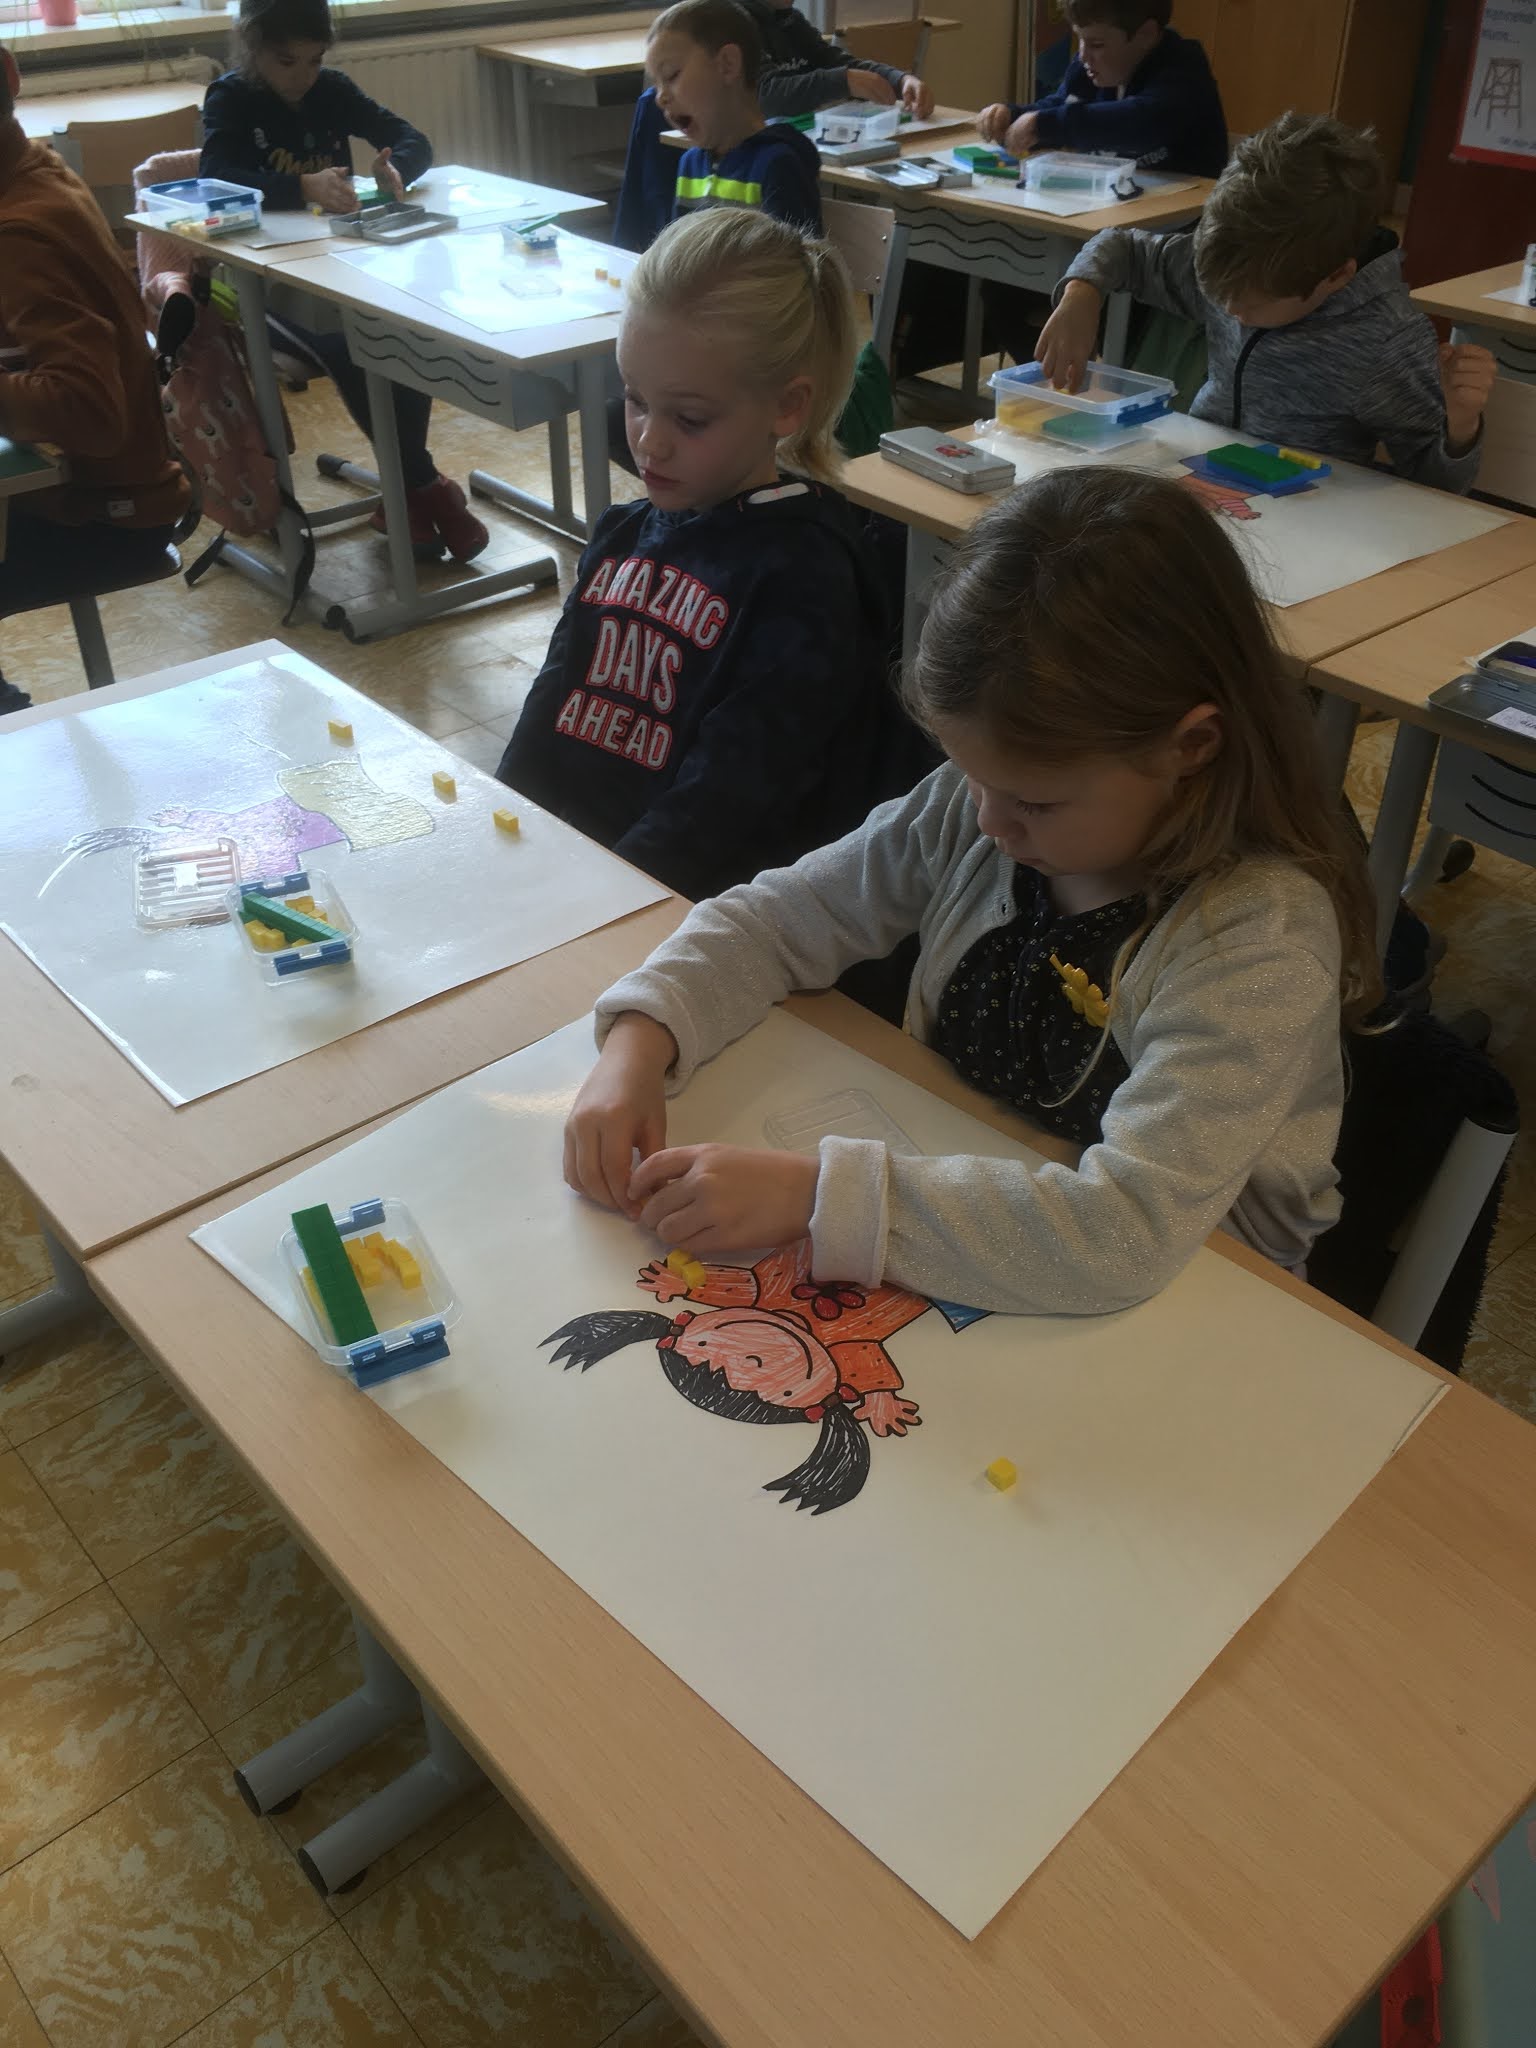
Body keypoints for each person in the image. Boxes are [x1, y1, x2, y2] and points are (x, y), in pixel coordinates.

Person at [561, 467, 1384, 1320]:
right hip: (984, 1207)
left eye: (1034, 802)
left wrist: (817, 1198)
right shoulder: (983, 803)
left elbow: (1126, 1232)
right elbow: (781, 918)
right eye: (972, 774)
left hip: (1210, 1298)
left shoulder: (1258, 938)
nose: (989, 822)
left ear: (1191, 746)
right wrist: (642, 1040)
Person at [498, 205, 918, 906]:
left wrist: (599, 907)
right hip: (587, 882)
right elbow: (548, 713)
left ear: (787, 407)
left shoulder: (805, 578)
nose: (648, 441)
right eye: (635, 400)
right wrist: (501, 831)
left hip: (694, 915)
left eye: (689, 418)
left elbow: (723, 807)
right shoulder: (622, 533)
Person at [1037, 112, 1497, 493]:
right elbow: (1121, 247)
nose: (1231, 312)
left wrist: (1459, 428)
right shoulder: (1239, 262)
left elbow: (1437, 486)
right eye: (1218, 294)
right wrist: (1082, 293)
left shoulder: (1385, 339)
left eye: (1253, 307)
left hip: (1306, 514)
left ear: (1336, 277)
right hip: (1201, 476)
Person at [201, 0, 488, 560]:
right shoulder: (231, 96)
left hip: (340, 271)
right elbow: (215, 178)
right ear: (252, 49)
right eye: (287, 62)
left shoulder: (330, 89)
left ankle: (410, 489)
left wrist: (396, 168)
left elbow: (410, 138)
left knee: (404, 330)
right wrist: (301, 187)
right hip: (261, 286)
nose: (303, 77)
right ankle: (422, 484)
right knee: (356, 347)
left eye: (314, 60)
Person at [0, 42, 192, 714]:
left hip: (106, 516)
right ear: (13, 75)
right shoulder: (32, 169)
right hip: (86, 490)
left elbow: (88, 409)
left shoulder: (20, 230)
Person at [615, 0, 822, 253]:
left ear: (727, 64)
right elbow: (678, 261)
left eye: (671, 76)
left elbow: (796, 269)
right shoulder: (690, 165)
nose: (660, 98)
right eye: (657, 84)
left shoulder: (778, 165)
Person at [978, 0, 1226, 177]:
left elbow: (1142, 122)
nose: (1083, 55)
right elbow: (1060, 106)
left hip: (1182, 223)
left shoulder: (1184, 70)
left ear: (1146, 35)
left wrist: (1044, 124)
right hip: (1112, 208)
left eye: (1097, 44)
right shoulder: (1090, 65)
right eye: (1080, 39)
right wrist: (1014, 117)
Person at [735, 0, 933, 121]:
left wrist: (901, 80)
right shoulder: (732, 24)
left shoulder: (789, 19)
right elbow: (764, 97)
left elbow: (836, 62)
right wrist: (844, 80)